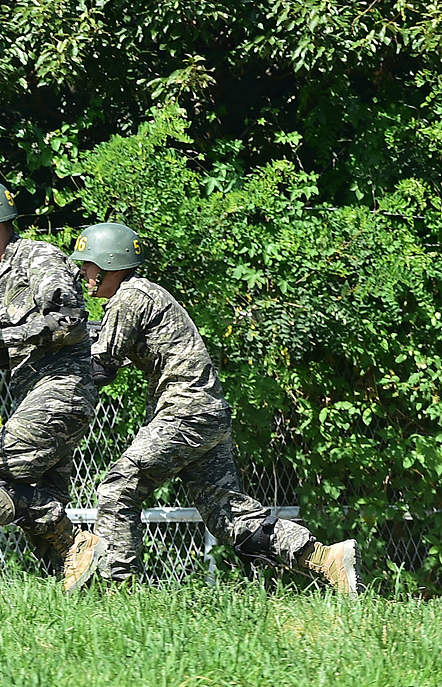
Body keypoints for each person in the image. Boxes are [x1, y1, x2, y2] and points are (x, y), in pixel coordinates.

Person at [69, 221, 364, 595]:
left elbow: (100, 366)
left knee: (118, 489)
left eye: (88, 264)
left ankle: (119, 592)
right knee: (227, 515)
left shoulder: (129, 298)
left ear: (110, 262)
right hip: (206, 416)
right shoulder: (142, 295)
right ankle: (324, 558)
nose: (83, 273)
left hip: (184, 414)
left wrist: (46, 366)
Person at [0, 179, 106, 591]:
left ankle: (76, 542)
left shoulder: (38, 258)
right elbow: (10, 349)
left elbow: (69, 322)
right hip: (34, 393)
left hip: (60, 388)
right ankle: (80, 574)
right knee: (35, 500)